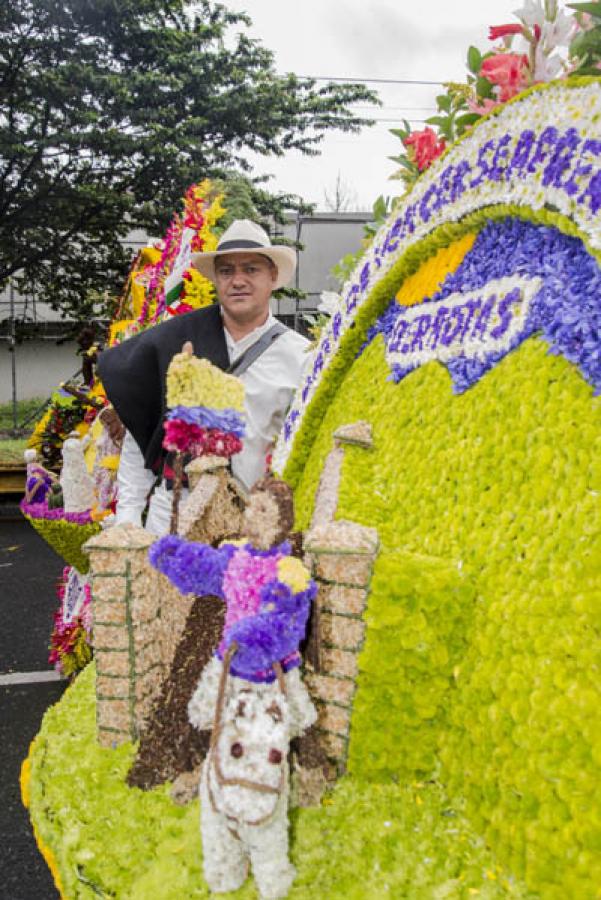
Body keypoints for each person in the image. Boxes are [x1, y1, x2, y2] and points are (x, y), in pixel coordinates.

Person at [98, 219, 311, 536]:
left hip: (252, 528)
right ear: (216, 280)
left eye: (251, 269)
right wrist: (127, 517)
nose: (238, 280)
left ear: (273, 277)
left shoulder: (301, 356)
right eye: (227, 271)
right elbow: (141, 436)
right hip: (173, 521)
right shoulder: (174, 341)